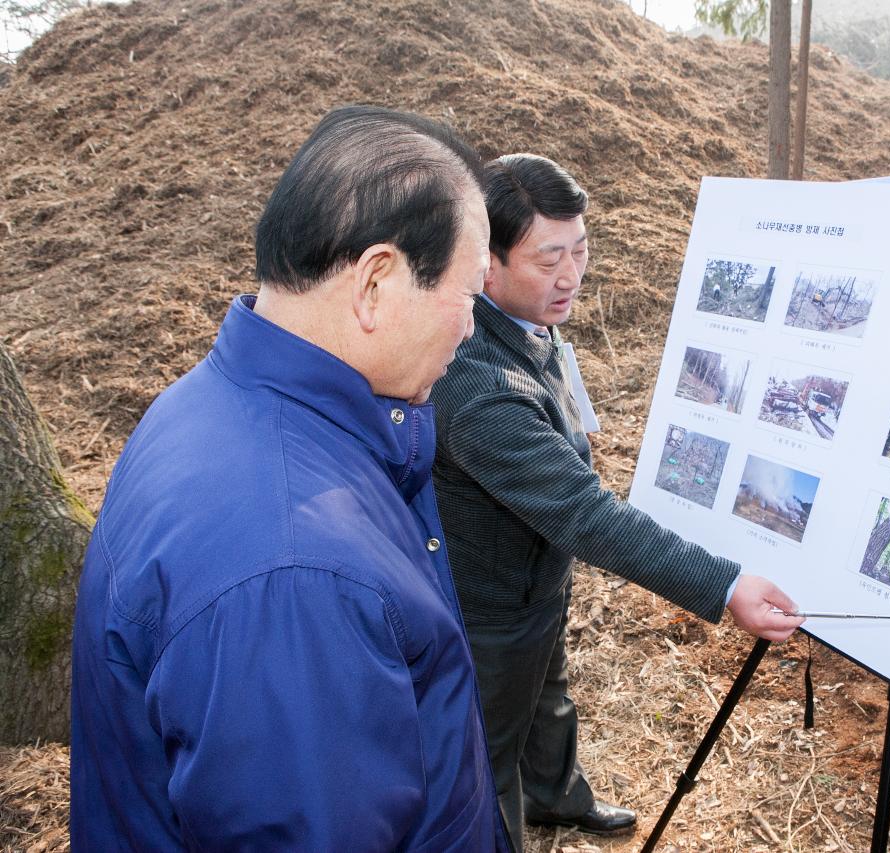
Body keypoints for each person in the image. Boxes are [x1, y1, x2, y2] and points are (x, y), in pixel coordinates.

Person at [70, 106, 510, 851]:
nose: (471, 326)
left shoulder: (213, 403)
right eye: (469, 294)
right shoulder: (296, 572)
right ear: (377, 283)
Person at [429, 154, 805, 849]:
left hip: (537, 577)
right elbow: (588, 513)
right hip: (490, 608)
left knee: (549, 697)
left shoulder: (524, 323)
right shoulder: (477, 384)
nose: (571, 276)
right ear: (487, 263)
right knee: (491, 755)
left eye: (580, 249)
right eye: (548, 259)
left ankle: (560, 797)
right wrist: (724, 583)